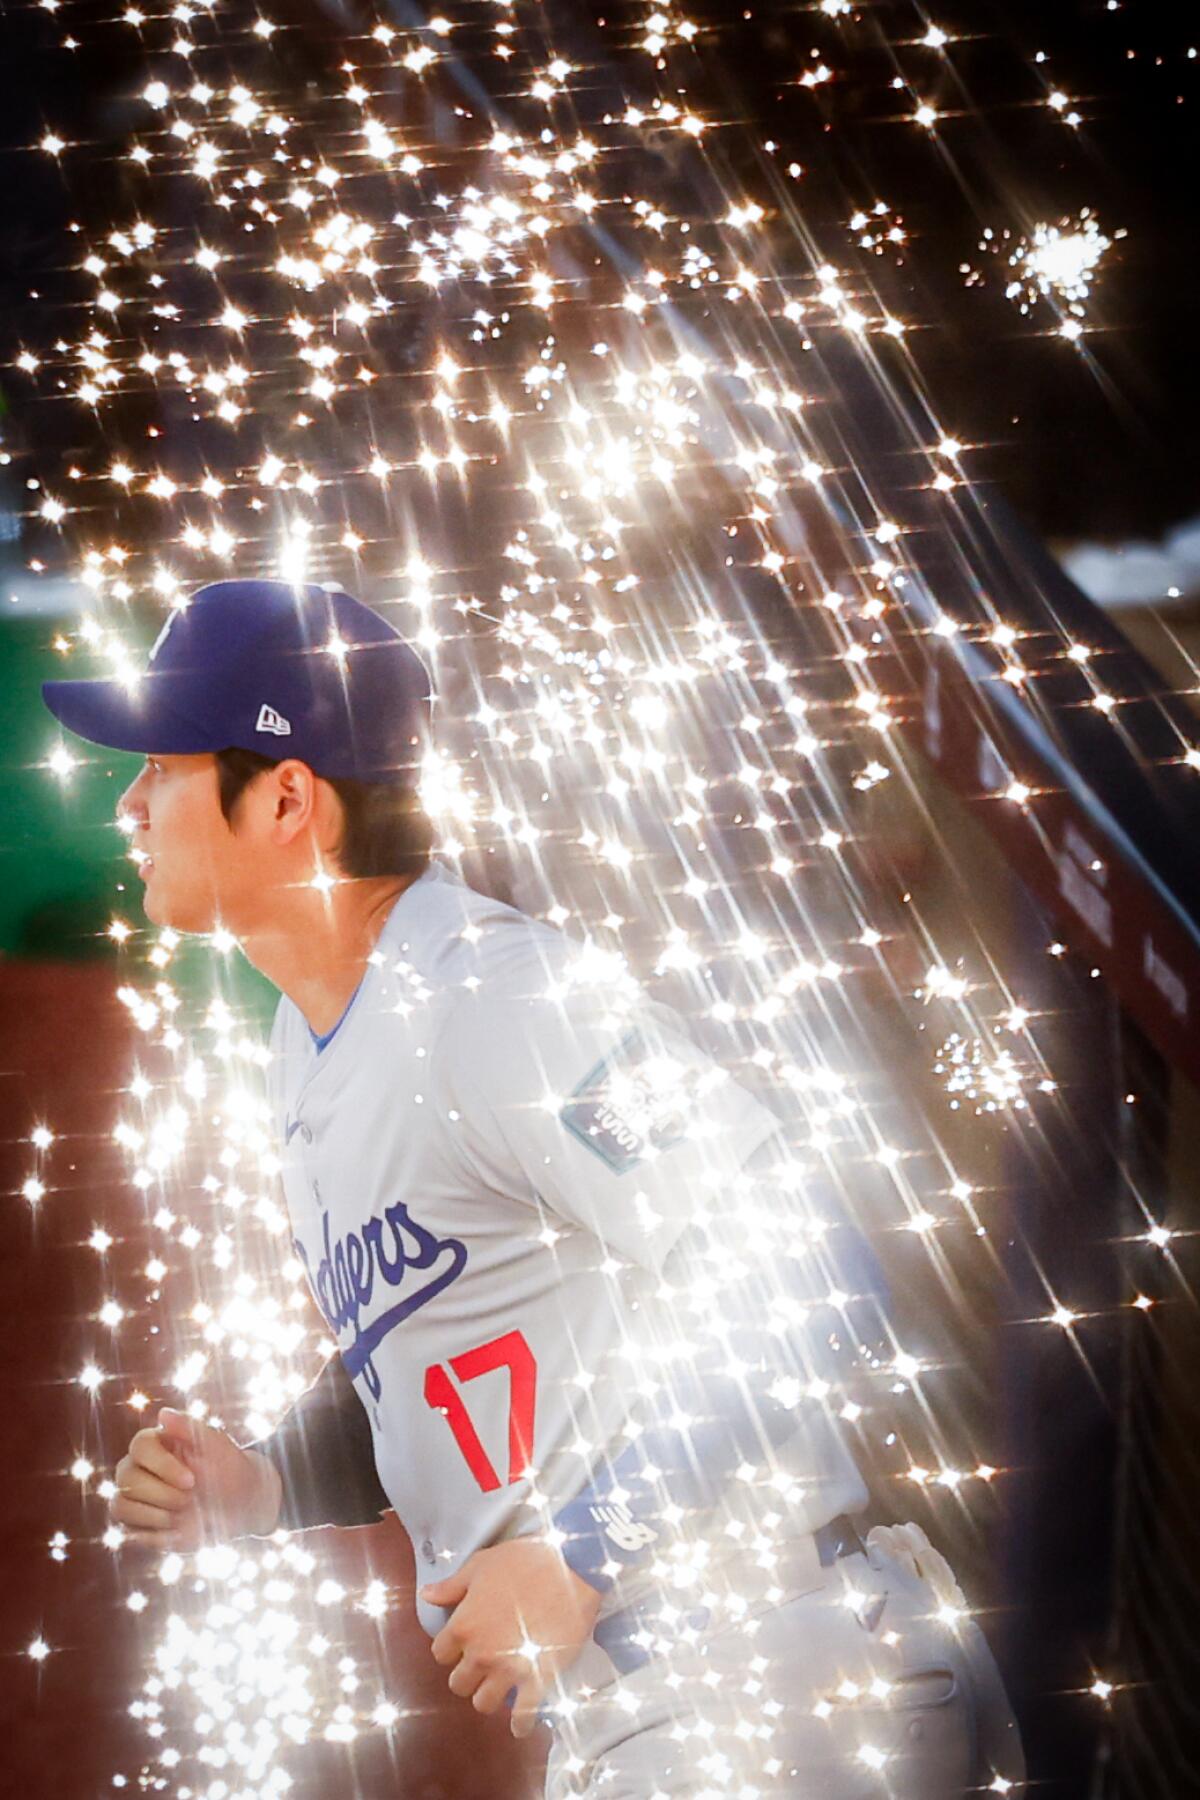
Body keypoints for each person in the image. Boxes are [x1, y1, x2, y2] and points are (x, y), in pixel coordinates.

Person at [43, 579, 1025, 1796]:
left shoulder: (495, 1000)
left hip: (773, 1684)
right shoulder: (314, 1043)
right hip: (663, 1715)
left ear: (288, 798)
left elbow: (812, 1266)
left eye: (162, 767)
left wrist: (579, 1549)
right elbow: (437, 1353)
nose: (130, 802)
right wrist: (272, 1479)